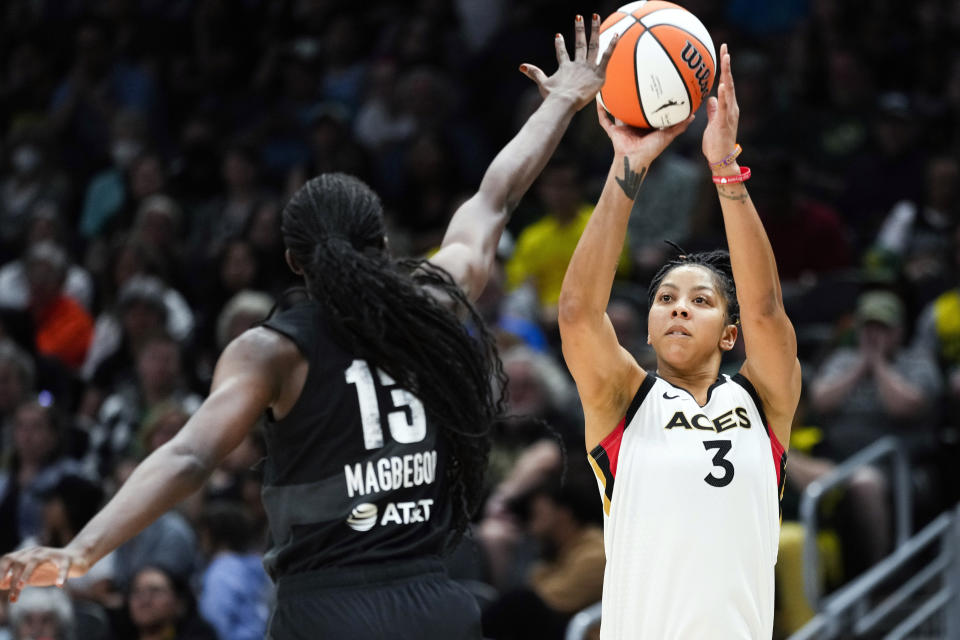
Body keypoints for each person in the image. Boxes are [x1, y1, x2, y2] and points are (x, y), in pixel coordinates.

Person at [0, 16, 617, 640]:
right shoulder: (436, 297)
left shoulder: (271, 351)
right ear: (382, 241)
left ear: (293, 261)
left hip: (326, 612)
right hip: (436, 604)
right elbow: (496, 196)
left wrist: (79, 551)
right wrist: (563, 101)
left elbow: (189, 455)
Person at [558, 45, 800, 639]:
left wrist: (725, 169)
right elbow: (578, 313)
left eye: (701, 301)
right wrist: (628, 166)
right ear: (646, 328)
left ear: (729, 333)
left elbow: (768, 310)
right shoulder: (623, 403)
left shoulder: (762, 402)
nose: (679, 310)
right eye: (665, 299)